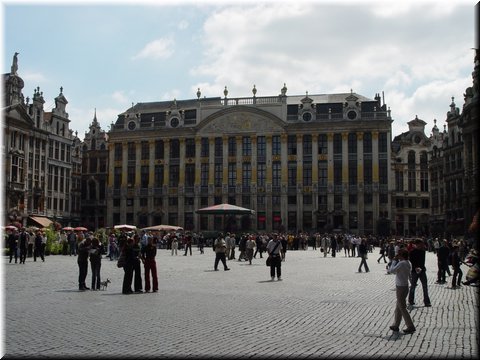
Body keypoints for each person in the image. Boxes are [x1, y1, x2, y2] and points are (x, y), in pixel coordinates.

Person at [387, 248, 416, 334]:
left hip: (400, 287)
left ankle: (410, 326)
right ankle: (396, 325)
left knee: (402, 307)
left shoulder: (401, 263)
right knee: (398, 306)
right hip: (405, 286)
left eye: (399, 255)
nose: (397, 256)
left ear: (401, 255)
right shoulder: (408, 262)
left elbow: (391, 270)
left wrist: (393, 261)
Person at [408, 239, 432, 307]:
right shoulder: (412, 252)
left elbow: (422, 261)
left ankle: (426, 301)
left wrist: (422, 268)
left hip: (422, 271)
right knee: (413, 286)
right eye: (421, 244)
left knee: (425, 286)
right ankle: (411, 300)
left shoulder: (423, 251)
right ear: (417, 244)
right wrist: (415, 268)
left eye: (422, 244)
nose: (422, 245)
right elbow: (411, 261)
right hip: (414, 271)